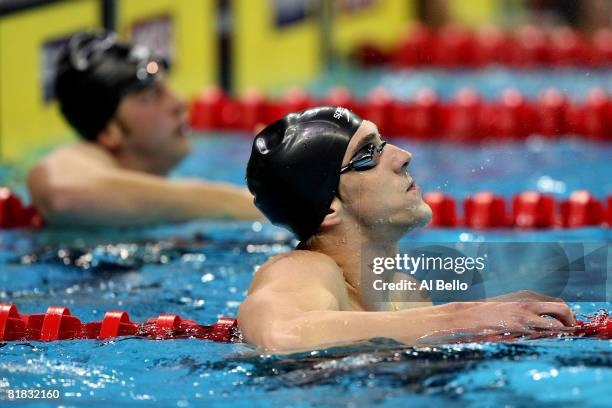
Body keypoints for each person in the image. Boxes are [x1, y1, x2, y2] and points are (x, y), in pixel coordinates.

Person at [238, 106, 576, 352]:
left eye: (383, 143)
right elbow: (282, 335)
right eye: (368, 154)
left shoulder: (405, 293)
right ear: (328, 207)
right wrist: (467, 316)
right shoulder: (301, 269)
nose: (402, 156)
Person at [28, 31, 260, 227]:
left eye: (168, 89)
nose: (178, 103)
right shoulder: (78, 161)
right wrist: (234, 205)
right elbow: (64, 193)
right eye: (150, 96)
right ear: (109, 132)